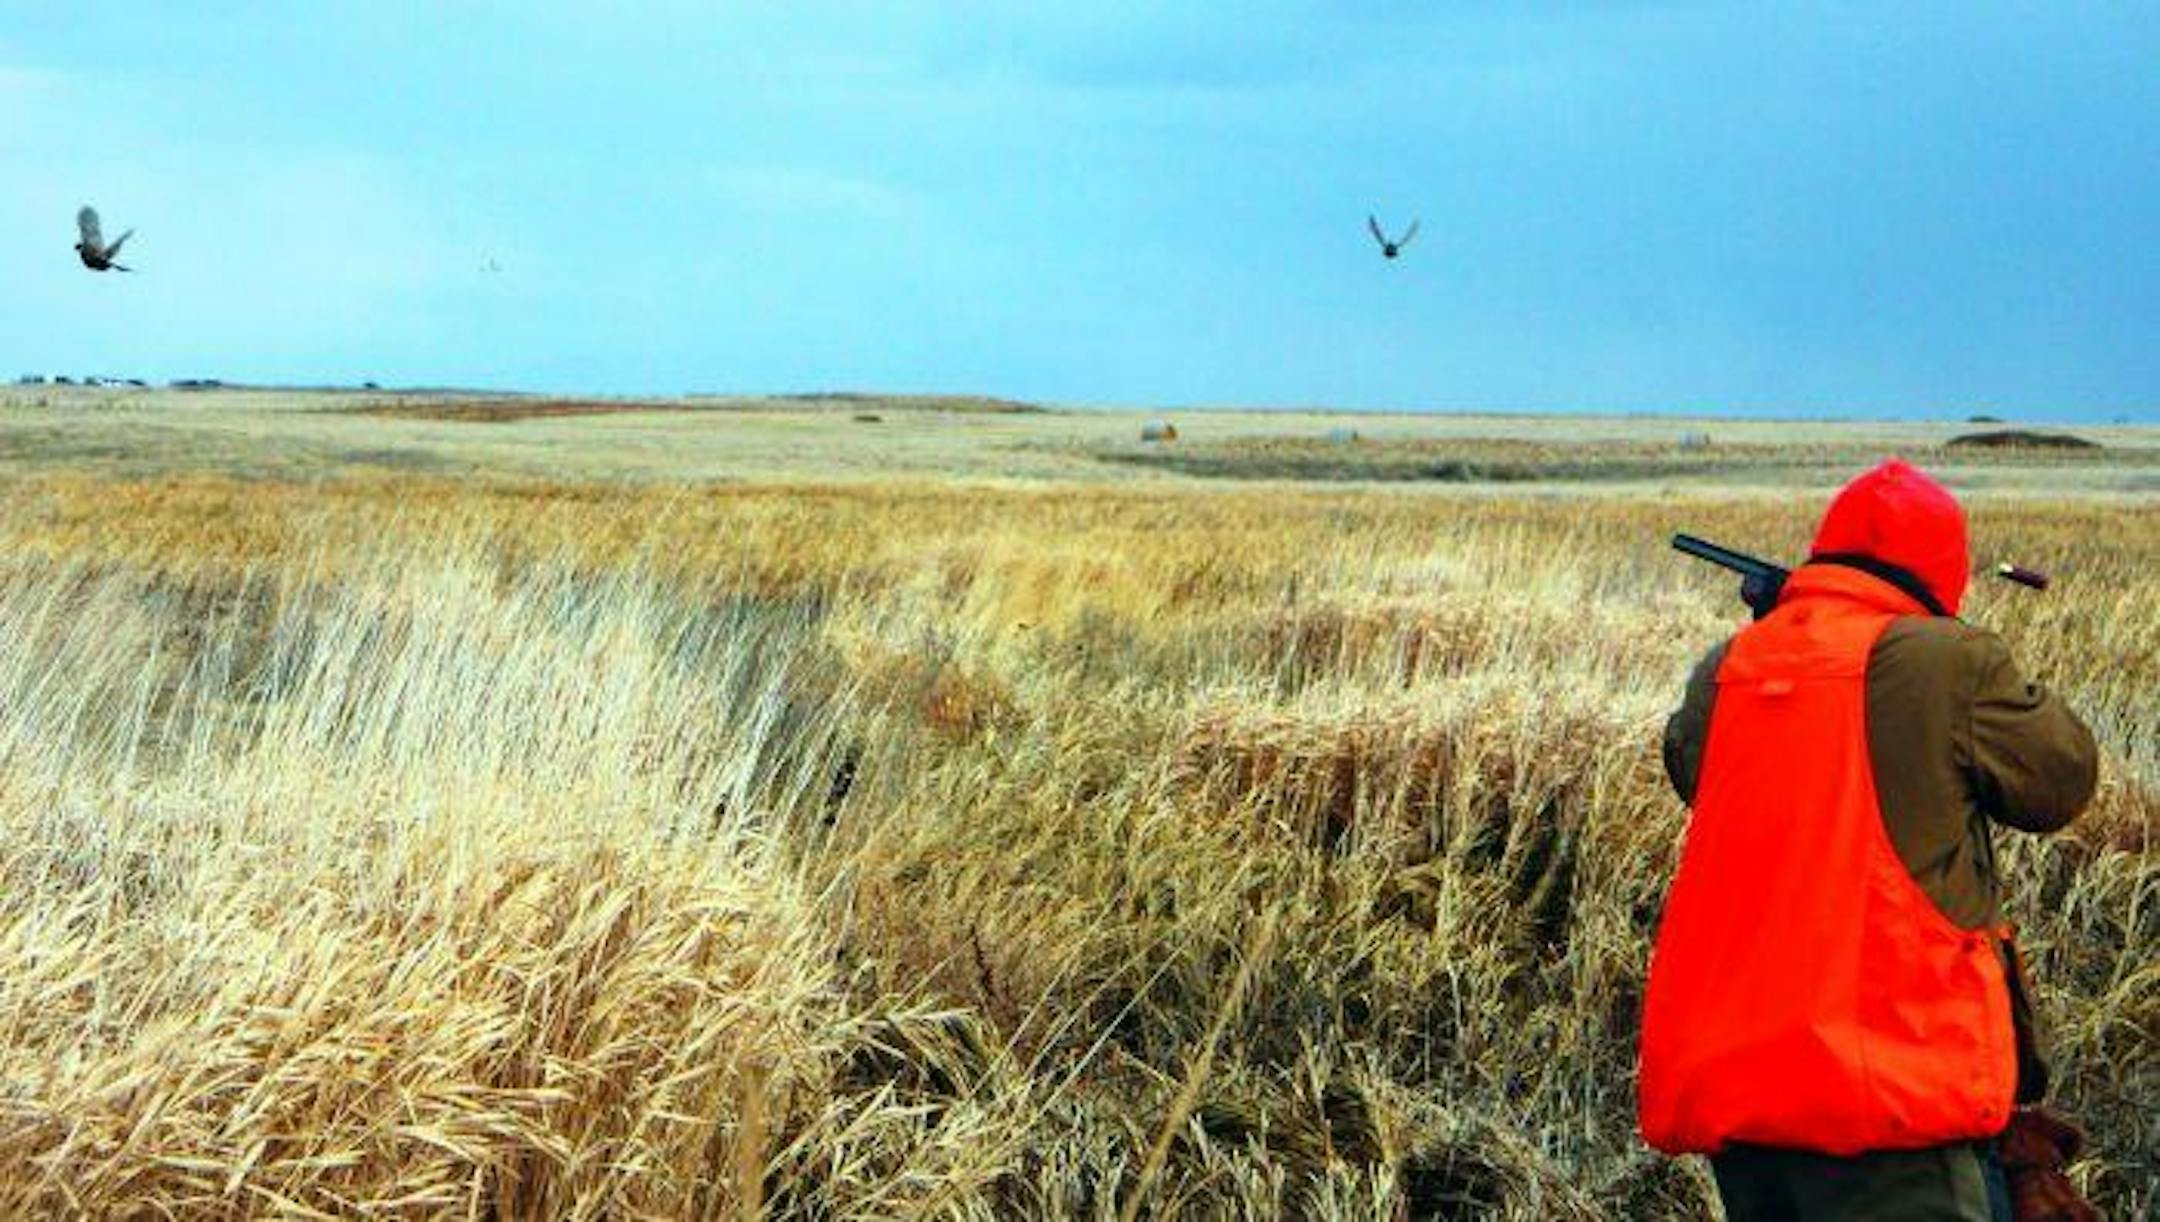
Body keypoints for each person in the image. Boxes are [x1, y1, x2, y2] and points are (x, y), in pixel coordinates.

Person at [1638, 459, 2099, 1220]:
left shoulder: (1730, 668)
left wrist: (1789, 647)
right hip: (1892, 1100)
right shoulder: (1947, 662)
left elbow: (1695, 772)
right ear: (1945, 572)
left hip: (1744, 1101)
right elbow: (2061, 780)